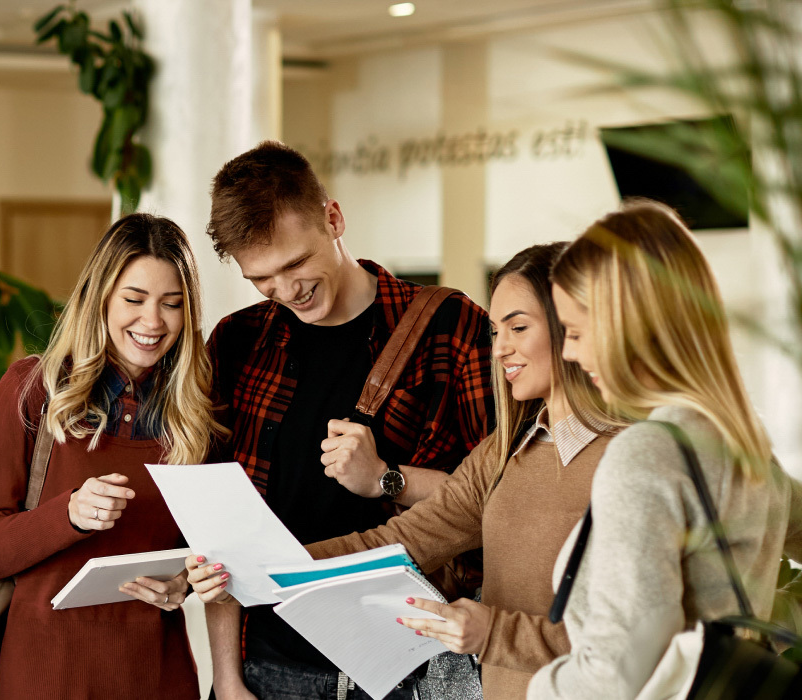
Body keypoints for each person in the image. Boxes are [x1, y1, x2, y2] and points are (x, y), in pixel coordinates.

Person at [192, 242, 622, 698]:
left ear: (575, 327)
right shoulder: (503, 455)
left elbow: (633, 640)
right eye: (496, 332)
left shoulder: (628, 460)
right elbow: (394, 545)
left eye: (518, 327)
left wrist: (493, 632)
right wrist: (248, 571)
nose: (500, 350)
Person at [191, 140, 495, 700]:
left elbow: (501, 505)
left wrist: (387, 478)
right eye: (262, 279)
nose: (287, 291)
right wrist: (227, 678)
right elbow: (222, 530)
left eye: (296, 263)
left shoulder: (451, 329)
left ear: (333, 218)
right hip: (266, 668)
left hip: (406, 670)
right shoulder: (238, 342)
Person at [527, 200, 799, 698]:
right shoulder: (743, 443)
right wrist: (770, 620)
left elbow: (618, 671)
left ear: (626, 327)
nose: (569, 352)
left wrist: (542, 689)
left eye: (577, 332)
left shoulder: (648, 454)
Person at [0, 213, 227, 699]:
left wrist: (185, 586)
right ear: (99, 297)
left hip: (159, 677)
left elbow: (212, 551)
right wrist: (68, 514)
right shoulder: (31, 392)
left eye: (172, 304)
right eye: (134, 299)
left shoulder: (197, 412)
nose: (153, 322)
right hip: (46, 677)